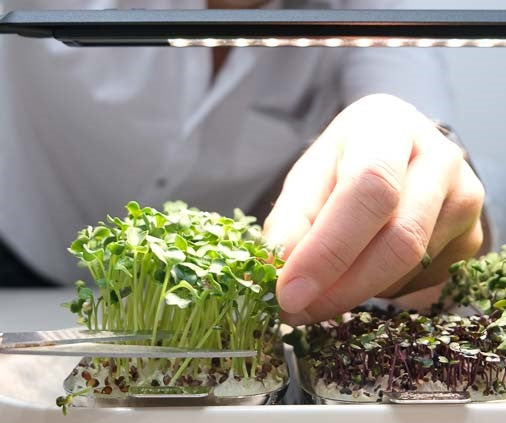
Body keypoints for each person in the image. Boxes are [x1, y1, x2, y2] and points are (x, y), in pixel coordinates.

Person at [0, 0, 486, 326]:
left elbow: (420, 124)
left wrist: (421, 174)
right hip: (18, 257)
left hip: (209, 301)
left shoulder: (369, 11)